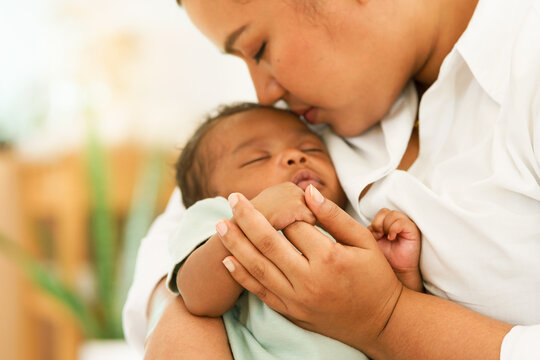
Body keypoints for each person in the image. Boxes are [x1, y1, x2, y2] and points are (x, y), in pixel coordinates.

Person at [124, 0, 540, 358]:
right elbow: (179, 242)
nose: (265, 93)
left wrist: (388, 320)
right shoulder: (304, 119)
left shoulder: (525, 73)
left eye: (259, 47)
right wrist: (186, 320)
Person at [165, 102, 422, 359]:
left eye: (311, 148)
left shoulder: (351, 229)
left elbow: (398, 329)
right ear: (211, 194)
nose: (295, 156)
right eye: (258, 158)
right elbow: (198, 296)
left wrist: (400, 274)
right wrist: (252, 221)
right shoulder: (218, 215)